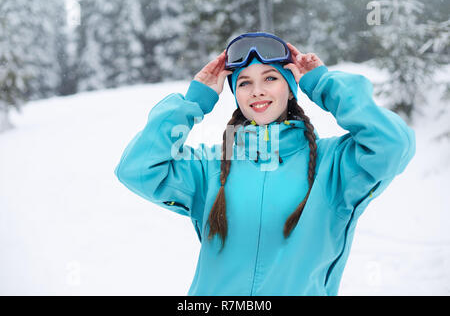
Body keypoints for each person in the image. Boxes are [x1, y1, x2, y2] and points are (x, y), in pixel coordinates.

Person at [114, 32, 416, 295]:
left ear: (290, 87)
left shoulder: (334, 166)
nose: (256, 91)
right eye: (244, 83)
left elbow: (392, 144)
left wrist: (324, 83)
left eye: (270, 78)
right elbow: (137, 169)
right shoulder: (210, 168)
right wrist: (193, 102)